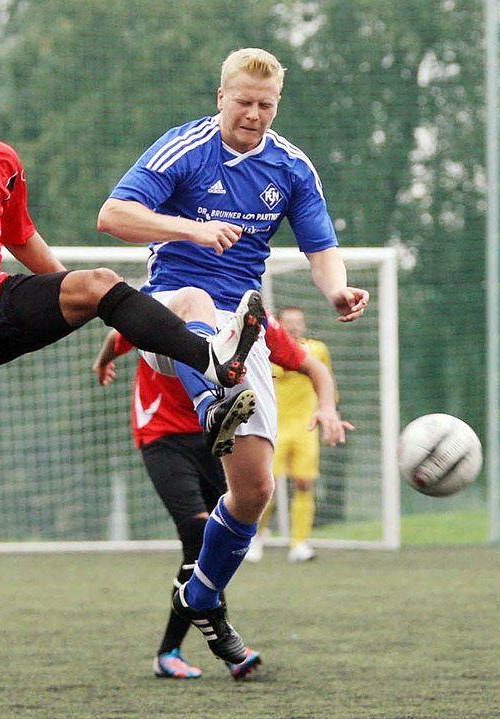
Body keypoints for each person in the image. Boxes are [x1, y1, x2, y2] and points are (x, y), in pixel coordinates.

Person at [0, 35, 264, 673]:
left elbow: (20, 236)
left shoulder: (1, 159)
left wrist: (82, 300)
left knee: (100, 281)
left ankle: (212, 361)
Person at [97, 47, 369, 666]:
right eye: (242, 101)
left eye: (265, 105)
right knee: (195, 298)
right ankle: (213, 395)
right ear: (221, 96)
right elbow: (112, 215)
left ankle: (202, 591)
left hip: (241, 324)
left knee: (252, 493)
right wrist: (190, 228)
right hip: (167, 310)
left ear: (277, 105)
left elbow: (320, 245)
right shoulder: (183, 148)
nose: (252, 114)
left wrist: (337, 290)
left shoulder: (292, 167)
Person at [93, 312, 348, 679]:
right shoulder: (164, 305)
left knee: (219, 537)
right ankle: (206, 648)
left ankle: (176, 651)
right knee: (197, 534)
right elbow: (119, 335)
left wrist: (327, 407)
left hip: (218, 434)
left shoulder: (251, 318)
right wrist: (103, 362)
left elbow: (312, 366)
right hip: (162, 434)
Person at [249, 306, 342, 564]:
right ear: (279, 324)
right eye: (288, 322)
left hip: (305, 427)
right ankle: (255, 538)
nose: (294, 327)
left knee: (304, 483)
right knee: (267, 487)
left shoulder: (317, 351)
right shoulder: (266, 350)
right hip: (274, 427)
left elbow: (327, 383)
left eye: (298, 322)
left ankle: (299, 543)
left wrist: (330, 414)